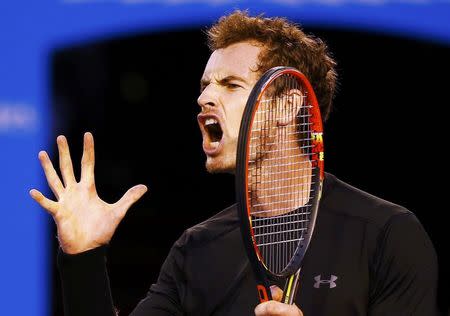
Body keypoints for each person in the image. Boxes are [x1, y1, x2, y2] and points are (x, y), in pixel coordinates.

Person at [30, 10, 441, 316]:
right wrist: (82, 257)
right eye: (205, 85)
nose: (204, 98)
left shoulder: (388, 235)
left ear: (287, 105)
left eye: (230, 85)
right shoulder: (196, 250)